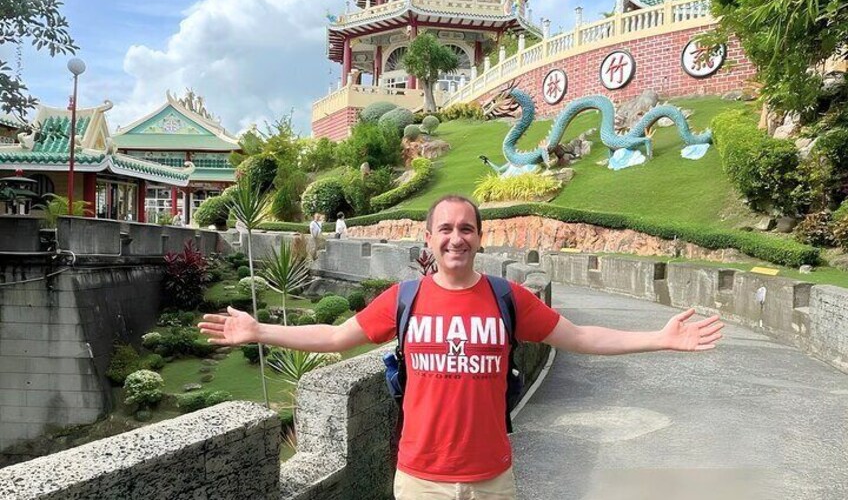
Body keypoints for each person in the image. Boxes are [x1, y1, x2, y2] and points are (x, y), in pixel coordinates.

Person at [199, 194, 723, 500]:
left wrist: (659, 338)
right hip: (420, 480)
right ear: (428, 239)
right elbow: (336, 337)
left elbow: (581, 337)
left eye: (467, 229)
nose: (456, 238)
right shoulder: (403, 299)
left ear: (480, 238)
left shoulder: (507, 297)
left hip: (492, 478)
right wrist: (260, 331)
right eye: (445, 229)